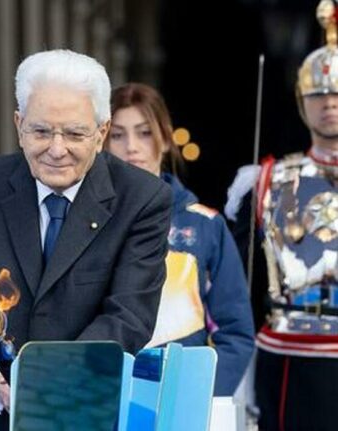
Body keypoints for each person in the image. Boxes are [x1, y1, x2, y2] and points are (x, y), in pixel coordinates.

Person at [0, 49, 172, 430]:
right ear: (19, 125)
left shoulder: (142, 199)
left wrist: (49, 381)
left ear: (101, 133)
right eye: (41, 131)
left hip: (88, 410)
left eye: (75, 134)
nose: (57, 150)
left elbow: (129, 316)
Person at [225, 1, 338, 429]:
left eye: (337, 94)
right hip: (290, 354)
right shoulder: (266, 181)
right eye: (319, 94)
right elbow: (239, 282)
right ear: (301, 102)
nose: (329, 103)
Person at [104, 82, 255, 396]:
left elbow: (236, 333)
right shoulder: (82, 220)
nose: (131, 146)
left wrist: (198, 395)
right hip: (104, 393)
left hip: (182, 397)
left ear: (166, 137)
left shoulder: (206, 225)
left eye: (145, 133)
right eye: (117, 135)